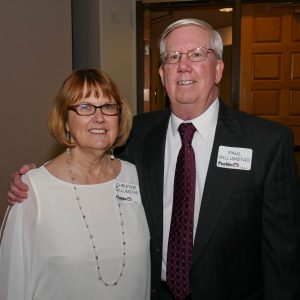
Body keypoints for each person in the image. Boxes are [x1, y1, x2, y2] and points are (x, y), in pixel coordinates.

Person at [6, 18, 300, 300]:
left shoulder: (266, 143)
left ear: (219, 69)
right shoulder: (137, 134)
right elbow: (89, 157)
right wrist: (36, 179)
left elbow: (283, 258)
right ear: (162, 74)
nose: (183, 66)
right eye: (172, 57)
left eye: (197, 54)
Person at [0, 69, 150, 300]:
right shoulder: (33, 190)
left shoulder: (135, 177)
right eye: (85, 107)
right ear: (66, 121)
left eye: (108, 107)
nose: (99, 117)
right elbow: (13, 286)